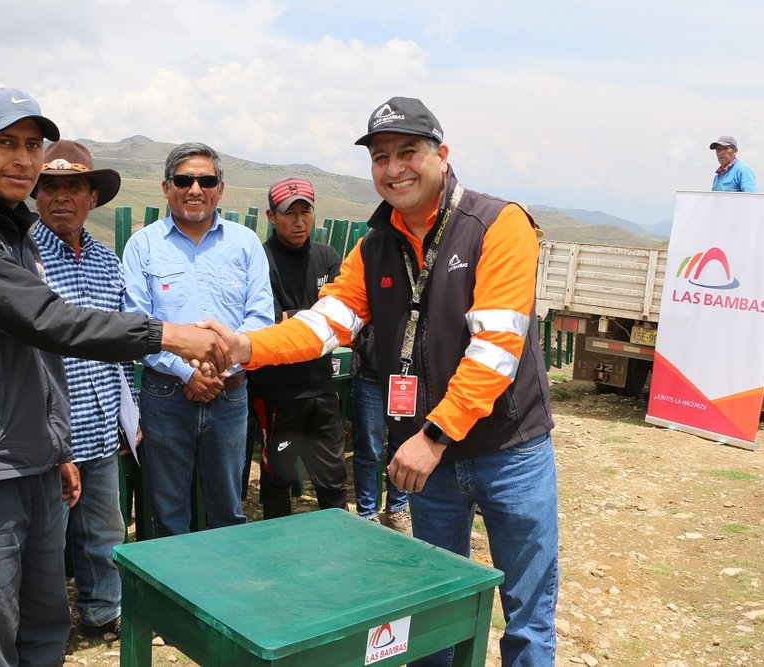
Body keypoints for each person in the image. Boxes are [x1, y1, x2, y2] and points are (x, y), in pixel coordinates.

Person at [208, 96, 558, 666]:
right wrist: (245, 347)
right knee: (432, 605)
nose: (393, 168)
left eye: (408, 152)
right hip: (433, 462)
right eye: (380, 157)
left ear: (441, 156)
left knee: (527, 612)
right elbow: (325, 324)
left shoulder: (499, 224)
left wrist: (435, 435)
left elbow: (497, 349)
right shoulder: (374, 245)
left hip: (507, 449)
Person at [0, 87, 227, 666]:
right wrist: (170, 335)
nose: (23, 159)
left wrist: (56, 446)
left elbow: (37, 357)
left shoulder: (13, 233)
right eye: (6, 144)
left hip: (33, 459)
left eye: (32, 144)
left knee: (43, 623)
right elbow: (47, 322)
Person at [122, 142, 274, 537]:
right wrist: (185, 372)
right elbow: (137, 322)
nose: (195, 189)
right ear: (166, 187)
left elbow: (260, 317)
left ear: (220, 188)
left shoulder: (245, 244)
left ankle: (226, 595)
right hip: (166, 395)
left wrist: (219, 368)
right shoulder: (143, 246)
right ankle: (174, 596)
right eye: (184, 180)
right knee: (168, 510)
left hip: (230, 393)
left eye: (206, 180)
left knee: (228, 505)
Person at [30, 139, 131, 638]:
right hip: (48, 432)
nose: (62, 197)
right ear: (35, 194)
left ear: (93, 197)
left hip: (100, 422)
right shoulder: (23, 259)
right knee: (46, 541)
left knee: (104, 531)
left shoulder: (106, 260)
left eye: (74, 186)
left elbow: (122, 335)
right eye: (50, 186)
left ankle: (102, 613)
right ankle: (47, 631)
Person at [249, 177, 347, 519]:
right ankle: (276, 557)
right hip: (275, 391)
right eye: (290, 213)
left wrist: (294, 319)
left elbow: (339, 322)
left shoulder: (327, 257)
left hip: (320, 387)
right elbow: (265, 322)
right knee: (277, 478)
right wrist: (315, 318)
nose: (299, 221)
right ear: (271, 216)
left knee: (332, 479)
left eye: (306, 212)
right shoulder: (259, 259)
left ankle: (337, 547)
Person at [348, 323, 411, 533]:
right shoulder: (371, 287)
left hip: (407, 376)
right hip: (370, 373)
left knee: (402, 448)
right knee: (369, 449)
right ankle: (367, 513)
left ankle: (397, 508)